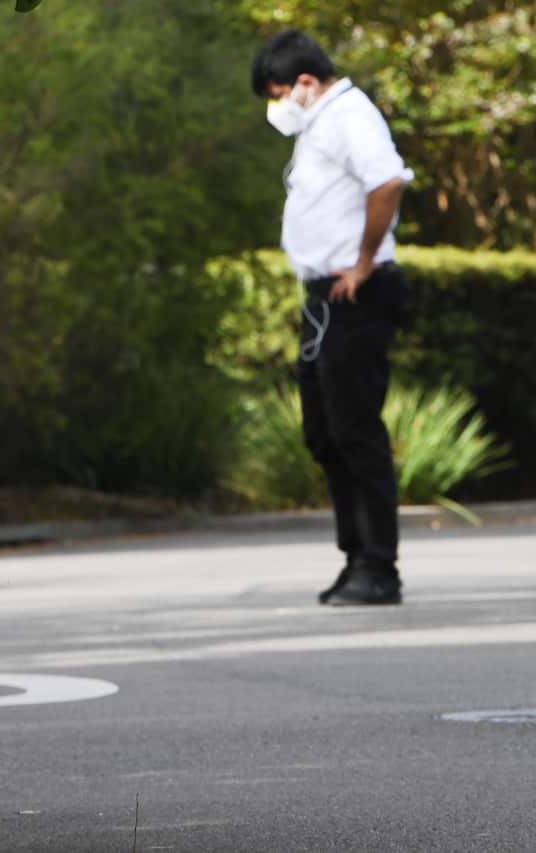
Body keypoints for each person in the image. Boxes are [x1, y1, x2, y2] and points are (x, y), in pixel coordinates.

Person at [250, 30, 413, 606]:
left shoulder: (349, 116)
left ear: (305, 82)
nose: (277, 109)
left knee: (356, 431)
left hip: (355, 295)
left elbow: (387, 182)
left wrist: (363, 264)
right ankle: (355, 557)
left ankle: (380, 566)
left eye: (277, 94)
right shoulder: (322, 124)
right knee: (323, 432)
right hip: (324, 298)